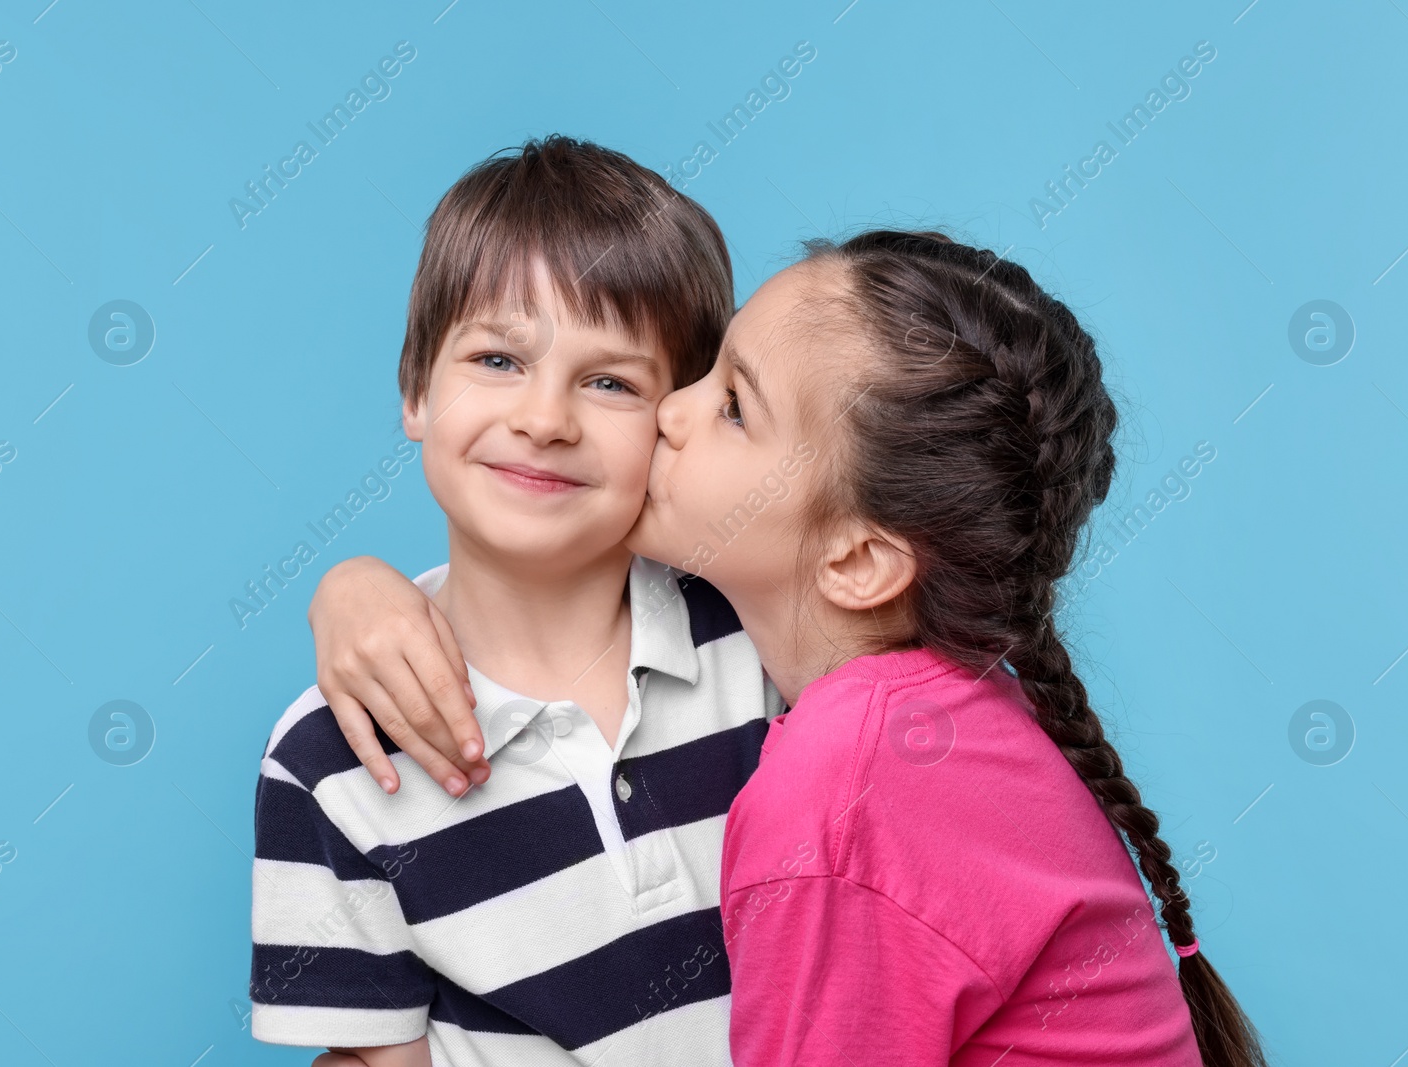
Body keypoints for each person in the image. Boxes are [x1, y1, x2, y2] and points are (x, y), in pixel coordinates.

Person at [309, 231, 1269, 1065]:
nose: (670, 412)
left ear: (856, 559)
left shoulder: (842, 789)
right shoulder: (926, 710)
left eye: (733, 406)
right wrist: (352, 590)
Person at [250, 135, 782, 1067]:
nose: (544, 419)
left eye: (610, 381)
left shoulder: (757, 638)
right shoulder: (330, 759)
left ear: (677, 423)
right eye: (498, 360)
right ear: (416, 388)